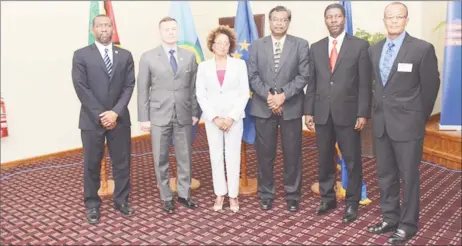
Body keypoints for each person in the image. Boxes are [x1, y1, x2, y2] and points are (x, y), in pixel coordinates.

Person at [366, 2, 440, 244]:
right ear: (384, 20)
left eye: (399, 17)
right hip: (382, 123)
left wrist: (419, 117)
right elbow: (376, 87)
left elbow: (430, 87)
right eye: (390, 17)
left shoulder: (421, 49)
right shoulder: (374, 50)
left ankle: (408, 224)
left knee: (409, 177)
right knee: (385, 175)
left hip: (408, 125)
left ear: (406, 20)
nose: (394, 21)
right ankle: (390, 217)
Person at [304, 3, 372, 223]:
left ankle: (352, 203)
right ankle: (328, 198)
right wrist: (308, 111)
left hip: (349, 114)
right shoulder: (316, 47)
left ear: (344, 19)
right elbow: (312, 82)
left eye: (337, 16)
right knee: (324, 158)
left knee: (352, 160)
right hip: (322, 113)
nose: (333, 20)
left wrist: (362, 113)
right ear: (325, 20)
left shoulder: (360, 46)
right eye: (329, 17)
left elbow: (364, 83)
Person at [72, 14, 135, 224]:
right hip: (92, 120)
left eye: (108, 25)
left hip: (120, 119)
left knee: (122, 163)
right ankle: (92, 204)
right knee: (91, 164)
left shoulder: (125, 55)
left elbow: (129, 86)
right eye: (100, 26)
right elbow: (81, 88)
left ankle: (121, 200)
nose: (104, 29)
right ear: (93, 31)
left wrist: (115, 112)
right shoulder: (81, 55)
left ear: (112, 29)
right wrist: (102, 115)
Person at [248, 6, 309, 212]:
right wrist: (270, 97)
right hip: (262, 107)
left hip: (290, 106)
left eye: (284, 20)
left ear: (289, 22)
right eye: (275, 19)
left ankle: (292, 195)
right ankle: (266, 193)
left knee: (292, 154)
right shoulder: (256, 46)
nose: (279, 23)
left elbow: (303, 76)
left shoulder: (300, 45)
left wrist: (283, 96)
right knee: (265, 155)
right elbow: (252, 76)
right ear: (270, 21)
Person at [137, 17, 199, 214]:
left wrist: (195, 112)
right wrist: (144, 118)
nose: (171, 32)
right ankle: (166, 196)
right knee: (160, 158)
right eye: (167, 30)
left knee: (185, 157)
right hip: (158, 115)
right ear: (160, 32)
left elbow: (193, 87)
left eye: (174, 29)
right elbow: (142, 90)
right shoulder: (148, 57)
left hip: (184, 114)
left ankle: (184, 194)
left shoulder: (189, 56)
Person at [195, 25, 250, 213]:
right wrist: (215, 118)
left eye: (226, 43)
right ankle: (220, 193)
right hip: (213, 120)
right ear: (212, 45)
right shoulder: (203, 67)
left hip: (234, 119)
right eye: (219, 42)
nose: (222, 46)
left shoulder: (239, 65)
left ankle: (233, 196)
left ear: (230, 45)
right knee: (216, 156)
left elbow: (244, 94)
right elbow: (201, 95)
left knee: (233, 156)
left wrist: (231, 117)